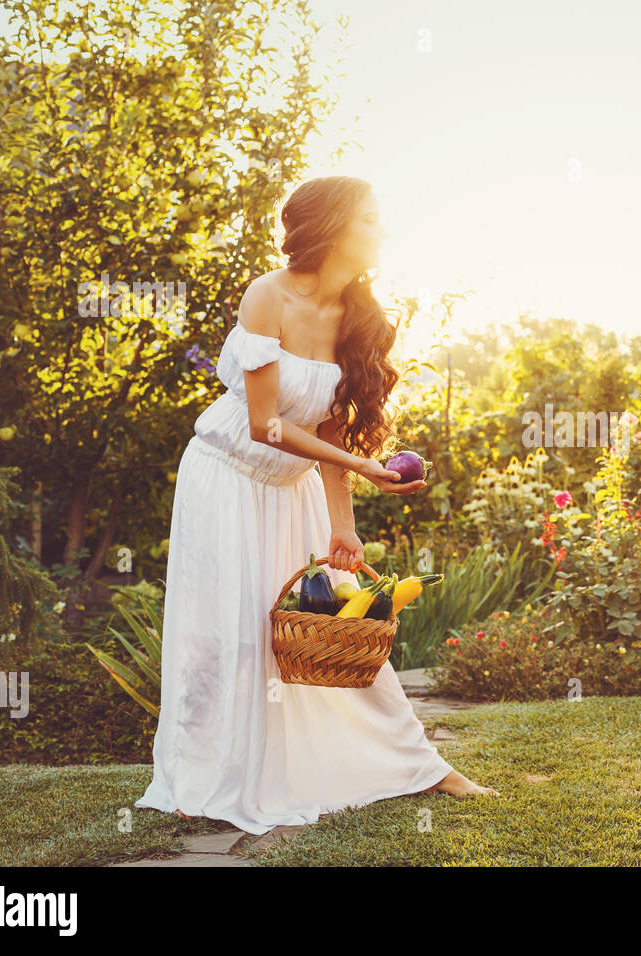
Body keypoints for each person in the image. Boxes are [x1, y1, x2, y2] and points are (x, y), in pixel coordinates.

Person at [136, 175, 495, 836]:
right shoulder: (267, 296)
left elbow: (332, 432)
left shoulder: (359, 317)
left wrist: (345, 526)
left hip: (294, 486)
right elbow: (265, 424)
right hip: (226, 480)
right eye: (369, 219)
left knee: (328, 638)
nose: (381, 232)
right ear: (331, 229)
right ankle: (200, 778)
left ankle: (421, 766)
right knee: (225, 632)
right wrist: (362, 467)